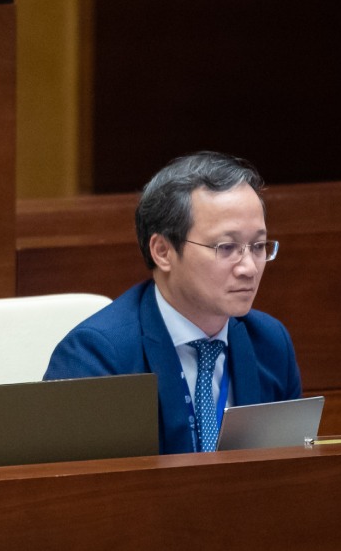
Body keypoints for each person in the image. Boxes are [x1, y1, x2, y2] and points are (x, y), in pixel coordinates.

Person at [44, 151, 300, 454]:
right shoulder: (97, 356)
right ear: (163, 251)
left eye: (257, 246)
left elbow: (290, 470)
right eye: (226, 247)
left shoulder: (270, 343)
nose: (249, 268)